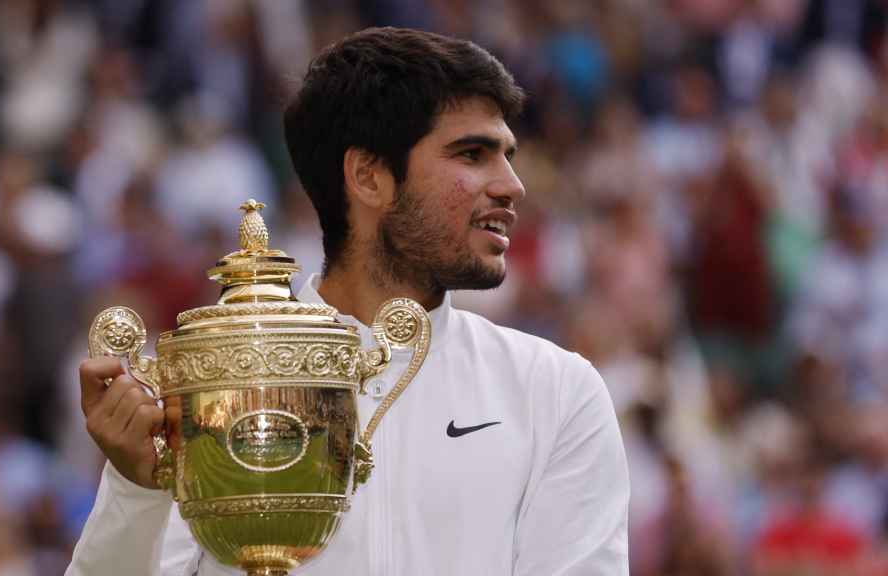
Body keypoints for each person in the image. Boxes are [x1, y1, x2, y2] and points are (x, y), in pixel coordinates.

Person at [67, 27, 629, 575]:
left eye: (507, 154)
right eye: (473, 154)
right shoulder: (214, 383)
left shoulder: (555, 393)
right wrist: (136, 491)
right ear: (369, 177)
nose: (512, 184)